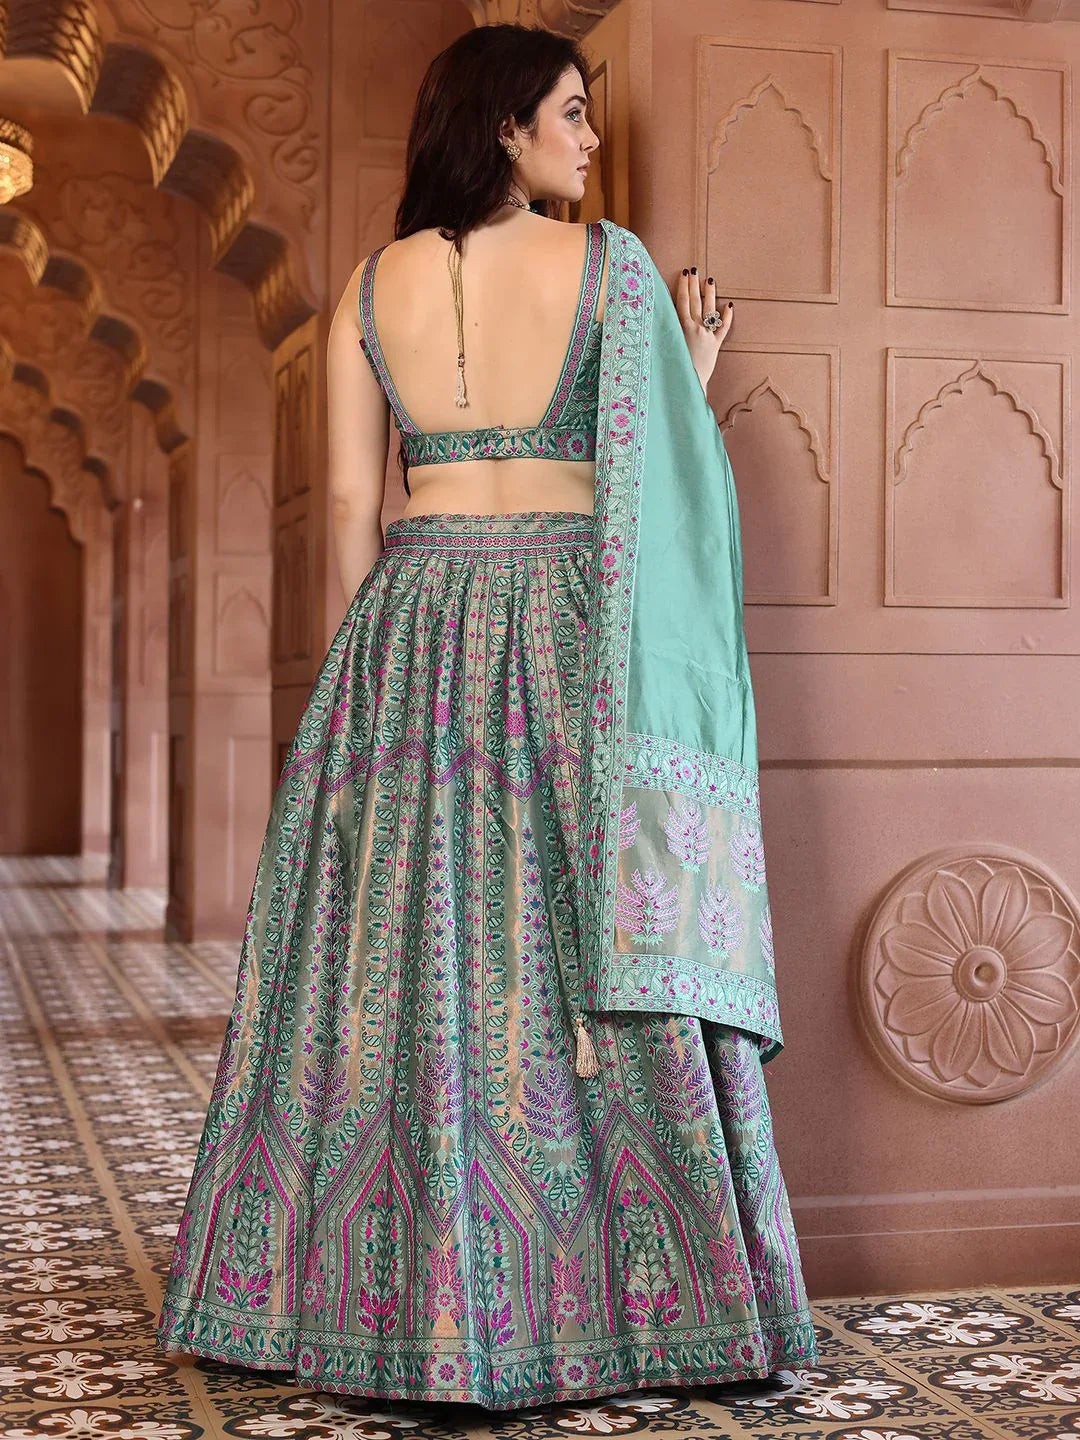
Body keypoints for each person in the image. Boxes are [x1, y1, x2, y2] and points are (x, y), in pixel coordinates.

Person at [157, 21, 818, 1411]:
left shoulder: (366, 286)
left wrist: (361, 679)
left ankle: (380, 1299)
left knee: (414, 954)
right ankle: (642, 1300)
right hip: (578, 625)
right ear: (508, 126)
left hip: (412, 619)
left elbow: (353, 506)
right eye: (571, 114)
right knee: (591, 930)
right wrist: (686, 374)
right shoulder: (612, 270)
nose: (588, 138)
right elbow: (649, 472)